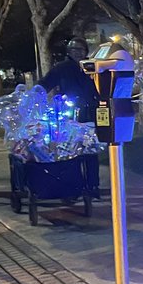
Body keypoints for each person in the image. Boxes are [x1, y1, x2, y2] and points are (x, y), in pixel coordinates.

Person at [40, 38, 101, 197]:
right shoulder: (61, 68)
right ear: (69, 52)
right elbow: (46, 84)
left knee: (91, 152)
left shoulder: (92, 67)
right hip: (70, 115)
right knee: (72, 153)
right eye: (74, 50)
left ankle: (93, 185)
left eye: (81, 50)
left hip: (91, 114)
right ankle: (75, 186)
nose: (78, 53)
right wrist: (35, 94)